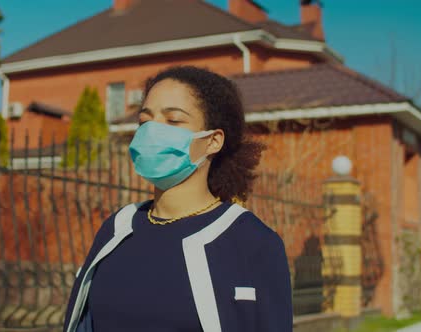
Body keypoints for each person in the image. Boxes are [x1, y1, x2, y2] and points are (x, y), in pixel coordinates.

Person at [63, 66, 293, 332]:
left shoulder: (254, 242)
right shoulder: (117, 229)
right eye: (145, 120)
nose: (152, 131)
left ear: (213, 141)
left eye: (173, 120)